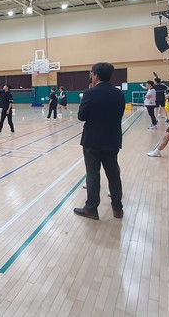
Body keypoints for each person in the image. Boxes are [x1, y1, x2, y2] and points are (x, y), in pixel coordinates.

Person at [73, 62, 126, 220]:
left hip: (92, 141)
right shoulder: (118, 93)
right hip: (112, 139)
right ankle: (117, 208)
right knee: (113, 174)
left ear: (95, 75)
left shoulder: (90, 93)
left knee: (92, 174)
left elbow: (81, 116)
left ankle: (91, 209)